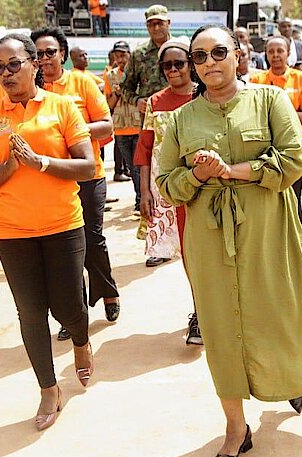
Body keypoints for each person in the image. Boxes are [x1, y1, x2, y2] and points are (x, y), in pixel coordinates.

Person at [156, 24, 302, 457]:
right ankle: (236, 426)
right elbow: (166, 183)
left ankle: (291, 377)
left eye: (219, 52)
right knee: (221, 327)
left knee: (277, 308)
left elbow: (293, 160)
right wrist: (197, 176)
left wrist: (232, 171)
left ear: (239, 53)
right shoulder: (180, 120)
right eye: (200, 57)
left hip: (267, 229)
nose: (209, 63)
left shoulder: (270, 99)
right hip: (209, 237)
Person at [0, 33, 96, 432]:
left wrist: (41, 162)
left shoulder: (62, 106)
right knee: (31, 312)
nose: (6, 73)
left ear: (34, 64)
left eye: (14, 64)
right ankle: (48, 388)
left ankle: (81, 341)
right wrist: (8, 167)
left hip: (63, 225)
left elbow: (87, 166)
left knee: (69, 307)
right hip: (13, 231)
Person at [30, 27, 121, 333]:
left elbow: (106, 125)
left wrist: (69, 129)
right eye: (38, 54)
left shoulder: (82, 82)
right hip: (50, 179)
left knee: (92, 240)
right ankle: (74, 313)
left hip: (87, 175)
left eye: (50, 52)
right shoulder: (29, 90)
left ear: (63, 54)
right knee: (64, 249)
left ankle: (108, 291)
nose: (44, 59)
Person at [134, 37, 202, 344]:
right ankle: (200, 313)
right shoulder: (155, 102)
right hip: (171, 190)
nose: (173, 70)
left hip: (206, 184)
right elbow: (145, 147)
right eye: (167, 65)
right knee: (189, 253)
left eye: (179, 64)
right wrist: (144, 192)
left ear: (191, 64)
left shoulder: (204, 96)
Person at [251, 36, 302, 223]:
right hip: (266, 148)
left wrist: (275, 116)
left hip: (297, 145)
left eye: (280, 51)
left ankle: (296, 236)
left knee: (294, 196)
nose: (275, 55)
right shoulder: (257, 80)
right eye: (271, 51)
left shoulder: (301, 78)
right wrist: (290, 115)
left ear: (288, 53)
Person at [122, 4, 171, 213]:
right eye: (151, 24)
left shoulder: (181, 49)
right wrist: (136, 101)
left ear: (168, 23)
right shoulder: (138, 54)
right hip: (151, 122)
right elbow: (125, 87)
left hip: (181, 116)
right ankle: (147, 200)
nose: (156, 28)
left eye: (160, 23)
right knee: (149, 162)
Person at [104, 40, 140, 184]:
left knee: (139, 167)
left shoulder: (138, 73)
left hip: (138, 126)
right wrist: (117, 93)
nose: (120, 60)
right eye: (117, 56)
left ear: (130, 55)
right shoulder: (110, 76)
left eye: (123, 56)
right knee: (131, 166)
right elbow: (109, 105)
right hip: (120, 128)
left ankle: (140, 195)